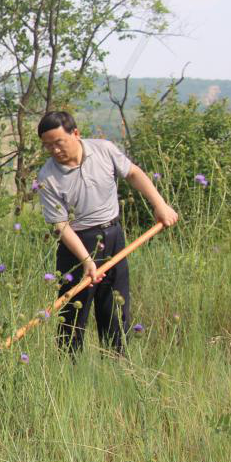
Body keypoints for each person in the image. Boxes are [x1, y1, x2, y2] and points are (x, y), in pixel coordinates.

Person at [36, 111, 178, 355]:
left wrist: (160, 205)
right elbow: (61, 225)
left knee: (115, 309)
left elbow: (133, 173)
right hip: (77, 245)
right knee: (73, 314)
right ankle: (68, 368)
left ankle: (116, 364)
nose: (54, 150)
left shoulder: (104, 150)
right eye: (48, 146)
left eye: (58, 142)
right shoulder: (47, 178)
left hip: (113, 236)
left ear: (75, 133)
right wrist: (87, 261)